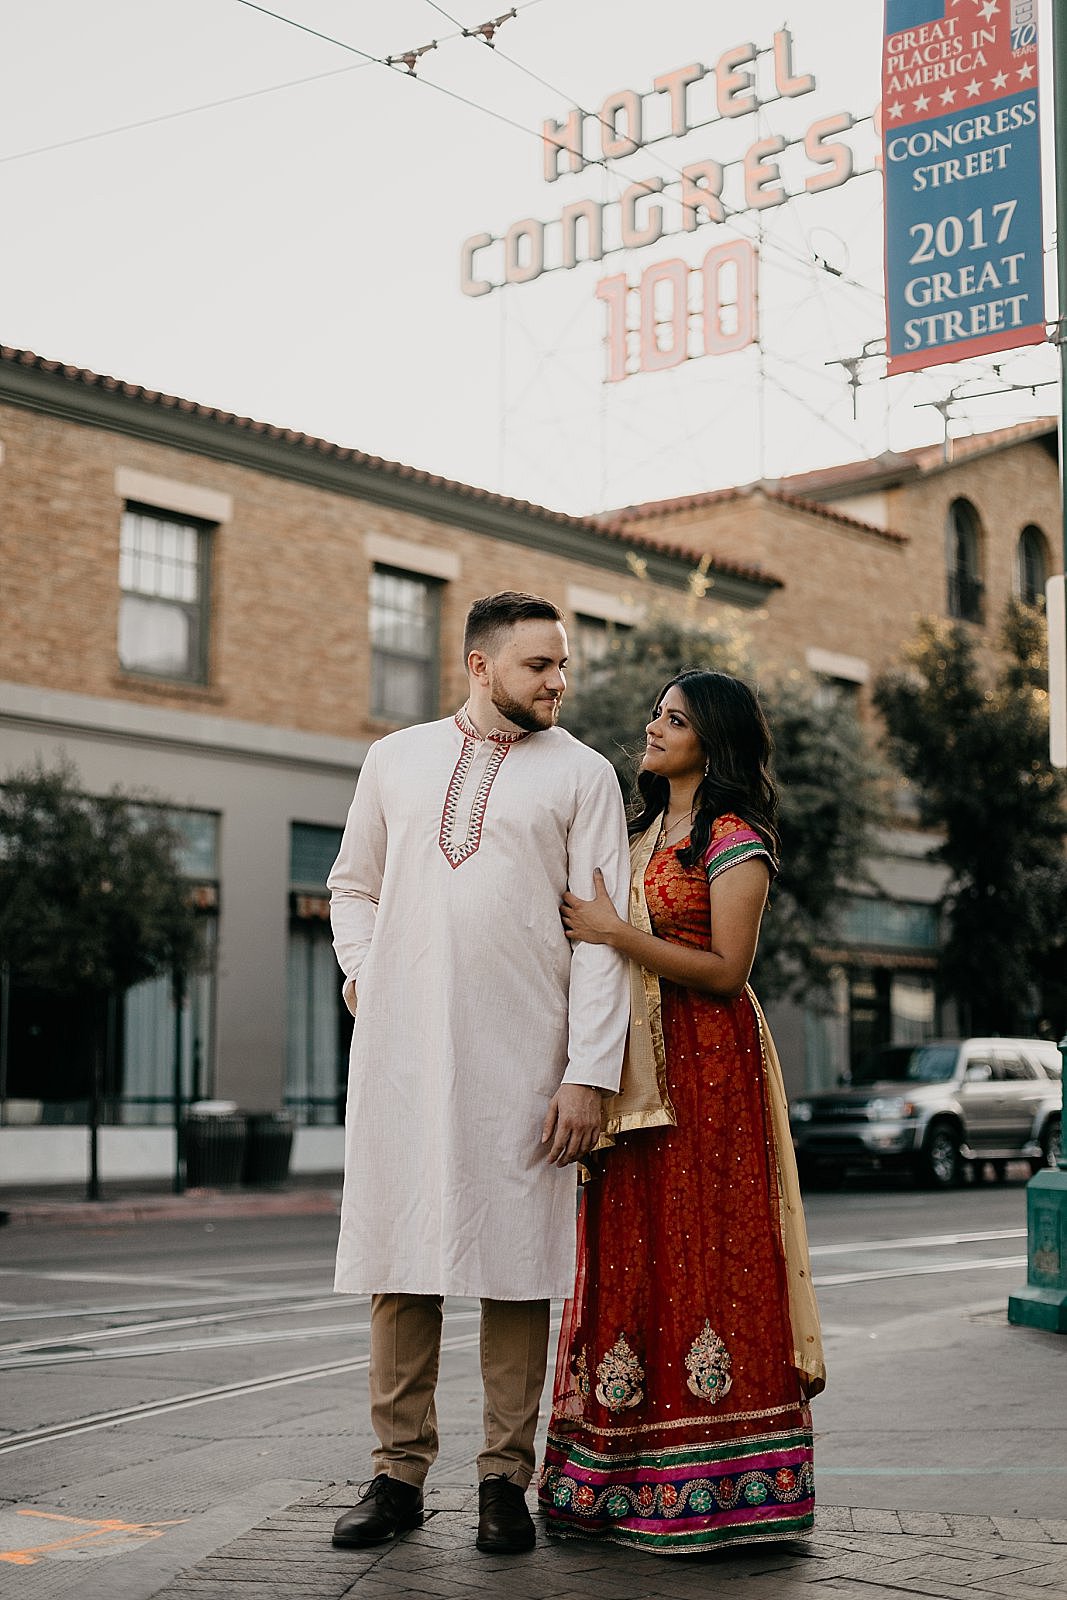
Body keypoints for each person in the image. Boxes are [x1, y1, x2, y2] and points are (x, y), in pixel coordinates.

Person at [327, 591, 630, 1556]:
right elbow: (352, 884)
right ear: (479, 664)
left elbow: (601, 939)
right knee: (400, 1259)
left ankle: (505, 1480)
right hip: (404, 1058)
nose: (558, 681)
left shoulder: (582, 774)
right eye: (539, 664)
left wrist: (588, 1072)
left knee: (515, 1268)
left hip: (524, 1056)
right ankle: (395, 1475)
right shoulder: (395, 758)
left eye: (561, 664)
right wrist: (366, 972)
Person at [538, 669, 825, 1556]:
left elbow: (726, 970)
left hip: (708, 1073)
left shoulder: (733, 839)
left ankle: (724, 1489)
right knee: (631, 1248)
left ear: (715, 740)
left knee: (706, 1249)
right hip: (629, 1075)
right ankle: (614, 1483)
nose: (653, 728)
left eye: (675, 719)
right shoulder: (632, 832)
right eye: (656, 713)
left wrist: (616, 934)